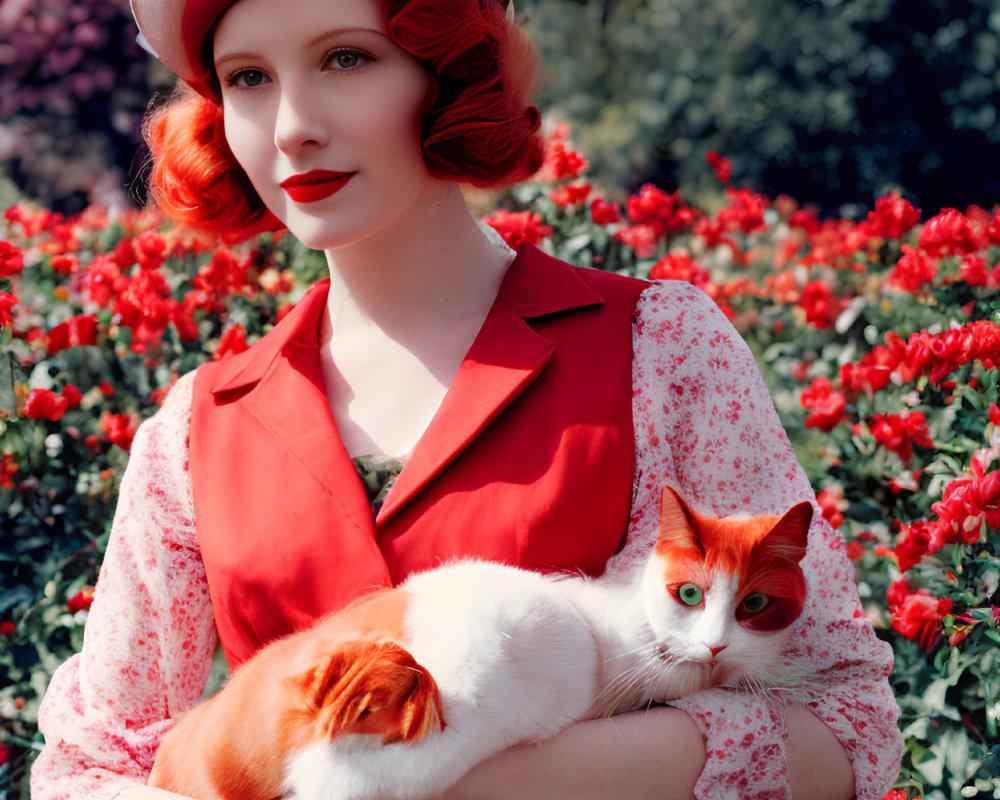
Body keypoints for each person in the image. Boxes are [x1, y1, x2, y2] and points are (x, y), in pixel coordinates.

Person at [31, 0, 903, 797]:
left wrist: (456, 780)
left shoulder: (659, 348)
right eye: (248, 78)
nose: (293, 127)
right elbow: (87, 766)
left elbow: (847, 725)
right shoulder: (192, 433)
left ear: (446, 77)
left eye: (345, 59)